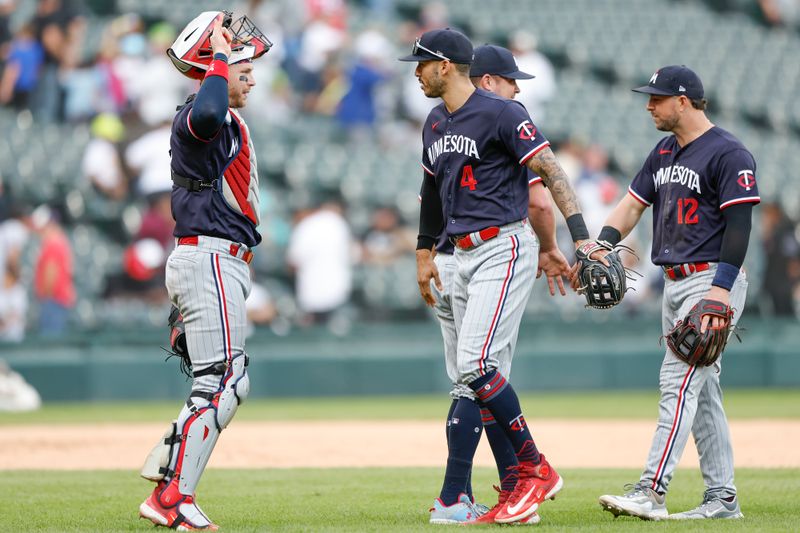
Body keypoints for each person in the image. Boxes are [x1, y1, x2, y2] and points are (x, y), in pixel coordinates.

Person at [400, 29, 590, 525]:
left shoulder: (504, 112)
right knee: (471, 374)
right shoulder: (435, 121)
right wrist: (424, 254)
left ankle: (533, 466)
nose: (415, 72)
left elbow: (551, 173)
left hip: (501, 245)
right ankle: (502, 489)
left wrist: (581, 239)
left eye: (421, 64)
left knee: (478, 363)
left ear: (445, 65)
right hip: (456, 254)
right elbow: (430, 192)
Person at [584, 65, 760, 520]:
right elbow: (631, 205)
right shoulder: (663, 152)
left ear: (683, 101)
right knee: (702, 394)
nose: (648, 105)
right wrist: (602, 243)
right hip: (674, 281)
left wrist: (721, 290)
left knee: (676, 384)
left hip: (710, 280)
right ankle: (722, 499)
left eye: (657, 98)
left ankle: (651, 491)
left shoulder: (728, 152)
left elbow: (740, 226)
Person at [137, 11, 272, 531]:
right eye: (243, 68)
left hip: (216, 258)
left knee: (214, 384)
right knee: (226, 383)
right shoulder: (198, 113)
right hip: (209, 256)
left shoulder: (223, 115)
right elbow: (208, 114)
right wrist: (219, 57)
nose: (251, 76)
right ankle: (174, 497)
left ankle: (171, 470)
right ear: (214, 69)